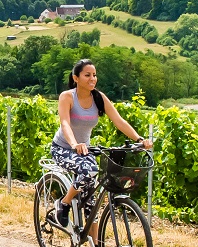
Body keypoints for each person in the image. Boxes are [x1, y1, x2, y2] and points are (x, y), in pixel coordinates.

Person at [46, 58, 150, 230]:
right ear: (76, 78)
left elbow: (119, 121)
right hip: (63, 148)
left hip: (84, 151)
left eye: (94, 75)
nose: (92, 78)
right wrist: (74, 144)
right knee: (91, 170)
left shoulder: (99, 98)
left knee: (91, 199)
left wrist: (139, 139)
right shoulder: (67, 97)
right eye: (87, 75)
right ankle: (64, 203)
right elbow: (65, 123)